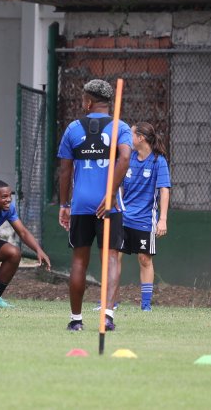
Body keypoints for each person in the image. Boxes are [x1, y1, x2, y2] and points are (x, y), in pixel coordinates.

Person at [57, 78, 132, 332]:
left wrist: (64, 204)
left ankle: (76, 320)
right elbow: (125, 158)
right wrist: (111, 193)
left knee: (79, 260)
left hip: (80, 203)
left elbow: (65, 171)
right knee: (110, 258)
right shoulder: (120, 127)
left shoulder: (72, 129)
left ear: (88, 102)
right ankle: (107, 316)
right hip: (109, 204)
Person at [120, 121, 171, 311]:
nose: (129, 138)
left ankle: (146, 305)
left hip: (144, 220)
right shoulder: (128, 157)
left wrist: (162, 219)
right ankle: (111, 302)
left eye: (131, 134)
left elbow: (164, 191)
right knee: (114, 257)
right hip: (123, 217)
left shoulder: (159, 161)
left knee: (144, 259)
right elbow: (121, 186)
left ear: (140, 138)